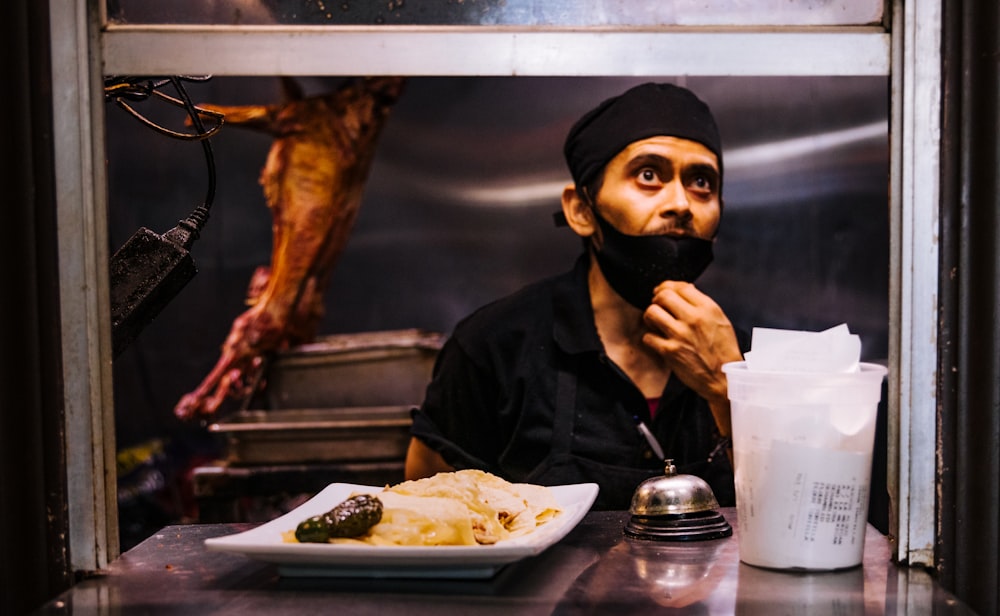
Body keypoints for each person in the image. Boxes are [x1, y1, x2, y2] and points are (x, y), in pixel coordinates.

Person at [404, 82, 748, 510]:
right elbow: (423, 505)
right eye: (648, 175)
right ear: (581, 210)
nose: (680, 203)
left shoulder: (750, 358)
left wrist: (726, 386)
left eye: (701, 182)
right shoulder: (493, 348)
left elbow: (791, 514)